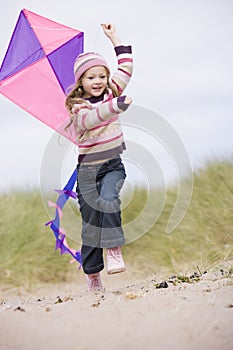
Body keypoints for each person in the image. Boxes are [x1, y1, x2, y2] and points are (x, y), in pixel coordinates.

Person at [65, 23, 133, 292]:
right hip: (87, 172)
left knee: (109, 199)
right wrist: (115, 106)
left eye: (101, 76)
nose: (97, 82)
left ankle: (114, 248)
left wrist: (114, 37)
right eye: (90, 77)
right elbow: (93, 119)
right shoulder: (77, 108)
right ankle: (93, 274)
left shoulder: (111, 92)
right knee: (91, 224)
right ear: (80, 82)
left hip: (112, 165)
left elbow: (126, 68)